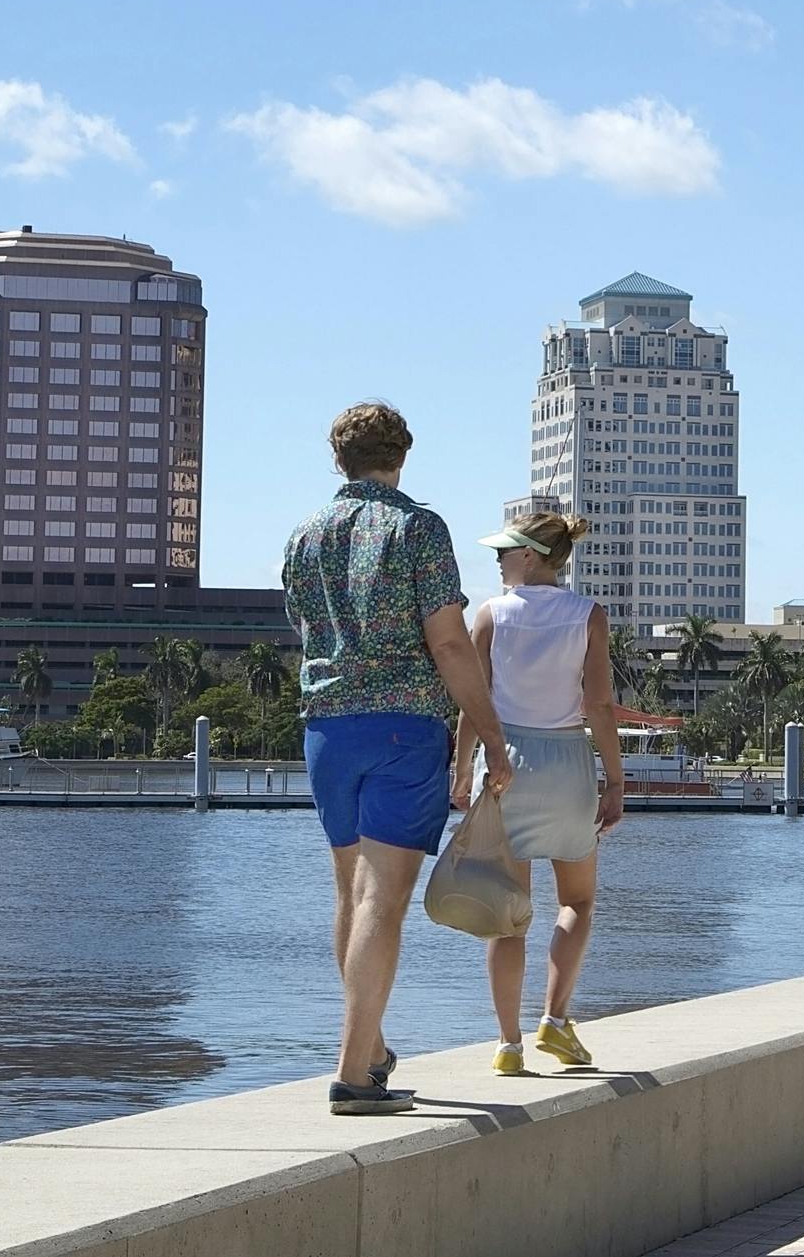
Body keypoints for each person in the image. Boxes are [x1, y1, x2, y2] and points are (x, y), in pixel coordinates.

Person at [284, 402, 513, 1115]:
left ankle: (372, 1046)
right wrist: (491, 737)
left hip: (326, 729)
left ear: (339, 460)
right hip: (401, 728)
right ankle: (354, 1073)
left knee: (349, 894)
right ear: (401, 455)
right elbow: (448, 642)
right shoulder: (418, 528)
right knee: (382, 899)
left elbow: (306, 627)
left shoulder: (305, 535)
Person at [453, 511, 626, 1074]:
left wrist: (461, 770)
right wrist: (616, 779)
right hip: (567, 760)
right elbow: (598, 705)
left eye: (504, 551)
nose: (498, 560)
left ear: (530, 556)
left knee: (507, 914)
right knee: (577, 900)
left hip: (506, 763)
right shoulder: (588, 615)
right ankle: (555, 1018)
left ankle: (509, 1045)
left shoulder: (490, 615)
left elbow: (473, 703)